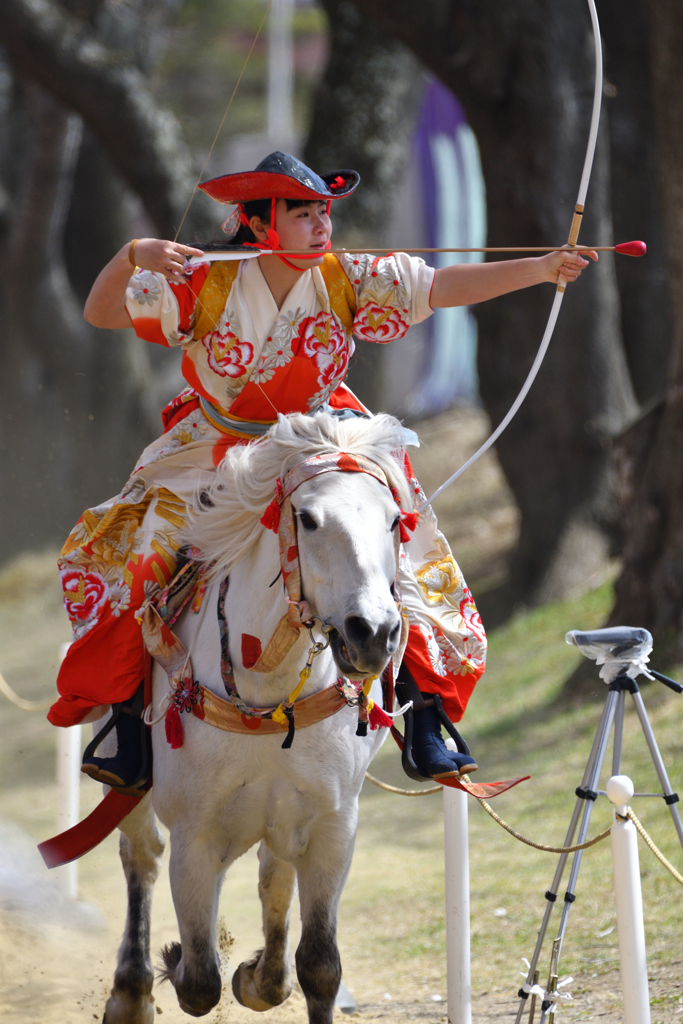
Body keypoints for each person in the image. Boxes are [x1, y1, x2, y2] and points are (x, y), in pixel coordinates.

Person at [49, 151, 596, 790]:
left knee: (408, 545)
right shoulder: (204, 281)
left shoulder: (346, 278)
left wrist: (541, 268)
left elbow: (440, 288)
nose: (321, 226)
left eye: (323, 213)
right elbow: (101, 312)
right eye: (303, 213)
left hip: (319, 437)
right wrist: (131, 254)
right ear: (258, 226)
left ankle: (424, 712)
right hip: (218, 443)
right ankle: (128, 719)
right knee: (145, 553)